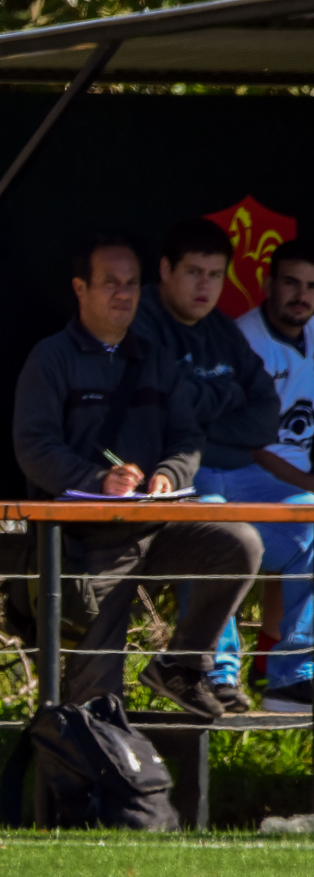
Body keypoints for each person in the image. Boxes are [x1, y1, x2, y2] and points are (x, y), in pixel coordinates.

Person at [13, 236, 262, 718]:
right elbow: (34, 447)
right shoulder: (50, 358)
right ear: (80, 288)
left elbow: (187, 437)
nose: (123, 294)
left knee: (240, 543)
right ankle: (90, 756)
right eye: (111, 283)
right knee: (95, 702)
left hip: (158, 525)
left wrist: (169, 474)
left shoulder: (156, 359)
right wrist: (97, 480)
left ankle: (183, 665)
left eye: (131, 284)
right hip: (89, 541)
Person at [133, 218, 282, 711]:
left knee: (308, 516)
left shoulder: (221, 330)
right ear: (165, 270)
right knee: (220, 526)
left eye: (215, 275)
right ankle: (211, 671)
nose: (205, 286)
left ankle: (290, 675)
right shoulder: (142, 320)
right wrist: (228, 396)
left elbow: (266, 416)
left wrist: (202, 407)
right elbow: (168, 413)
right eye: (194, 272)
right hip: (175, 473)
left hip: (237, 468)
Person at [229, 239, 314, 712]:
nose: (301, 296)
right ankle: (285, 672)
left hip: (300, 482)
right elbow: (249, 445)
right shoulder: (244, 340)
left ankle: (272, 667)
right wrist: (308, 486)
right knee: (307, 521)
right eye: (291, 283)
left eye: (311, 287)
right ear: (267, 284)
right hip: (247, 478)